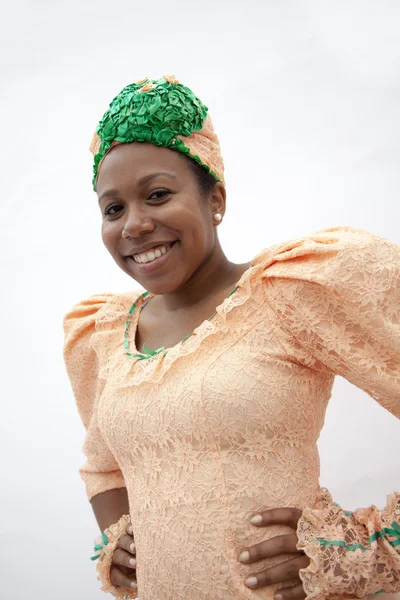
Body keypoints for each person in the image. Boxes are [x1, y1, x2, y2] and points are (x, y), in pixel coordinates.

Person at [63, 75, 400, 600]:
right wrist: (119, 539)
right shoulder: (103, 335)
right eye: (114, 208)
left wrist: (362, 547)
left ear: (214, 198)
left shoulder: (292, 291)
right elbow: (104, 466)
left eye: (156, 195)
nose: (134, 224)